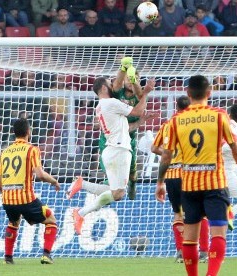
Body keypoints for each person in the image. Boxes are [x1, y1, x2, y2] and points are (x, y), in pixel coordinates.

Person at [156, 75, 237, 276]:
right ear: (209, 93)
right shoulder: (219, 116)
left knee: (190, 236)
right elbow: (236, 149)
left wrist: (160, 182)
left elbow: (166, 155)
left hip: (188, 185)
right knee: (219, 232)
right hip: (215, 182)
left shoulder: (175, 121)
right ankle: (211, 275)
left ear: (188, 94)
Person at [67, 58, 150, 235]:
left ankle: (82, 187)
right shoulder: (111, 103)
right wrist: (147, 93)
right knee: (119, 194)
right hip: (119, 149)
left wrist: (123, 68)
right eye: (109, 83)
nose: (113, 84)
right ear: (104, 88)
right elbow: (137, 111)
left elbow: (129, 120)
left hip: (112, 149)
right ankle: (81, 209)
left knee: (113, 191)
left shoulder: (101, 105)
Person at [0, 118, 60, 265]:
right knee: (51, 219)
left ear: (14, 133)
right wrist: (54, 181)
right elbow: (39, 174)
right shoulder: (32, 149)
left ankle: (8, 258)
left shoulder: (4, 152)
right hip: (26, 199)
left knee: (13, 222)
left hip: (7, 200)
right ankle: (46, 254)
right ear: (28, 132)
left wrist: (8, 194)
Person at [96, 58, 155, 200]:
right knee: (112, 176)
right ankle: (108, 190)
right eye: (127, 79)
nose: (129, 81)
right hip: (112, 140)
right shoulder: (116, 94)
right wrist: (124, 69)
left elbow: (140, 93)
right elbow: (116, 84)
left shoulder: (139, 97)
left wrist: (134, 79)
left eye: (133, 79)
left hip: (129, 139)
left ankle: (132, 183)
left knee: (132, 174)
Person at [151, 95, 192, 263]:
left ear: (176, 107)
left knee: (177, 214)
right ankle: (202, 252)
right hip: (191, 174)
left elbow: (154, 148)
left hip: (172, 175)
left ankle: (181, 252)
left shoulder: (167, 124)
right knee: (198, 213)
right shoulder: (194, 123)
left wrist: (170, 154)